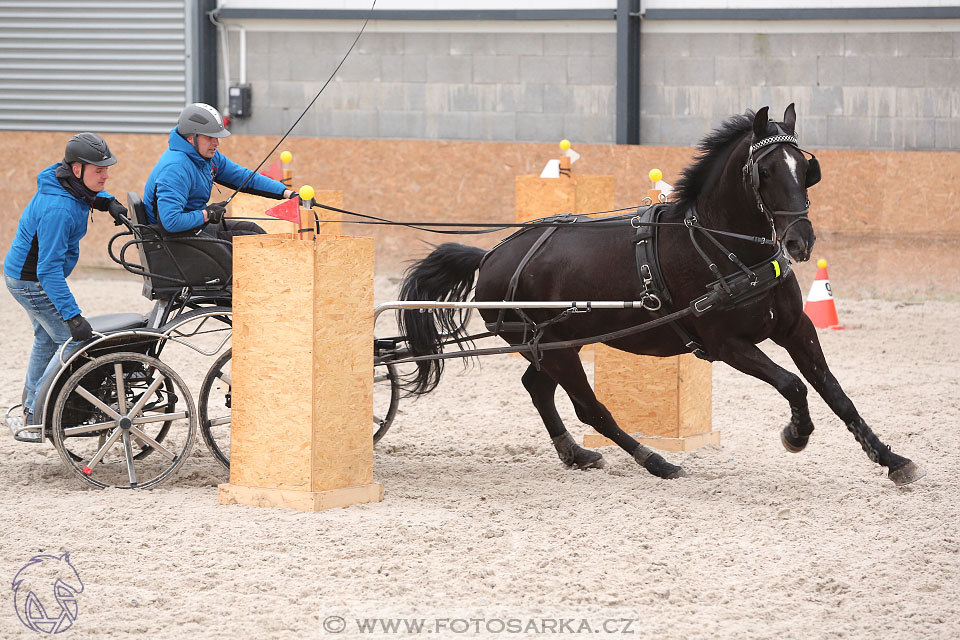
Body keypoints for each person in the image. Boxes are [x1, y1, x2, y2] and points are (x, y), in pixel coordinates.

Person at [4, 133, 128, 431]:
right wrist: (73, 317)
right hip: (32, 282)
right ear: (77, 169)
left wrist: (106, 201)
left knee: (45, 339)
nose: (106, 175)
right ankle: (36, 415)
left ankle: (30, 408)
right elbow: (48, 272)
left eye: (106, 169)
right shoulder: (57, 210)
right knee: (71, 343)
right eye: (99, 171)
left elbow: (81, 191)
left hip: (23, 276)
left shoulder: (63, 180)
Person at [143, 103, 297, 239]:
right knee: (253, 243)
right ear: (191, 138)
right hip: (174, 242)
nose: (216, 143)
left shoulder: (207, 157)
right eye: (210, 137)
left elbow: (245, 178)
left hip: (192, 230)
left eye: (217, 137)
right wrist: (207, 214)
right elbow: (171, 222)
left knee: (253, 231)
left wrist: (287, 193)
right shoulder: (175, 168)